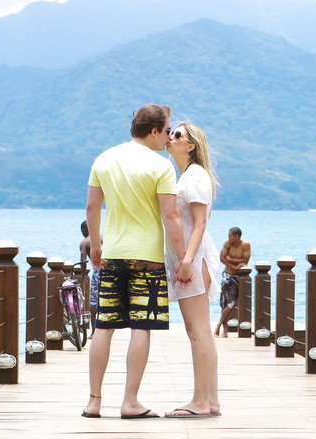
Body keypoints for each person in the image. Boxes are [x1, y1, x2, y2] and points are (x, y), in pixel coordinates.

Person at [83, 104, 188, 420]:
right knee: (141, 327)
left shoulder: (104, 159)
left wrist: (97, 245)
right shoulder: (160, 166)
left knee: (104, 325)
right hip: (148, 258)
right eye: (167, 129)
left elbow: (91, 207)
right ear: (155, 130)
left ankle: (94, 401)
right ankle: (129, 402)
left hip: (113, 255)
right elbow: (170, 216)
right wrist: (184, 257)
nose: (168, 136)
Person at [162, 122, 223, 418]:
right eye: (170, 131)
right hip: (192, 257)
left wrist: (186, 260)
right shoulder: (185, 176)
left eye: (178, 135)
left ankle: (200, 402)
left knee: (197, 331)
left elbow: (200, 223)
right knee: (201, 332)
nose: (170, 137)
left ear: (190, 146)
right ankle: (210, 400)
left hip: (194, 259)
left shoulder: (195, 176)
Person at [215, 227, 251, 337]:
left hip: (237, 278)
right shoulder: (227, 243)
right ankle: (224, 331)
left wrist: (230, 259)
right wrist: (233, 266)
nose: (228, 238)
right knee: (224, 303)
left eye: (230, 235)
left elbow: (245, 260)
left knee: (231, 302)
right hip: (227, 275)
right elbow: (221, 257)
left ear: (237, 236)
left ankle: (219, 324)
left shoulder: (245, 244)